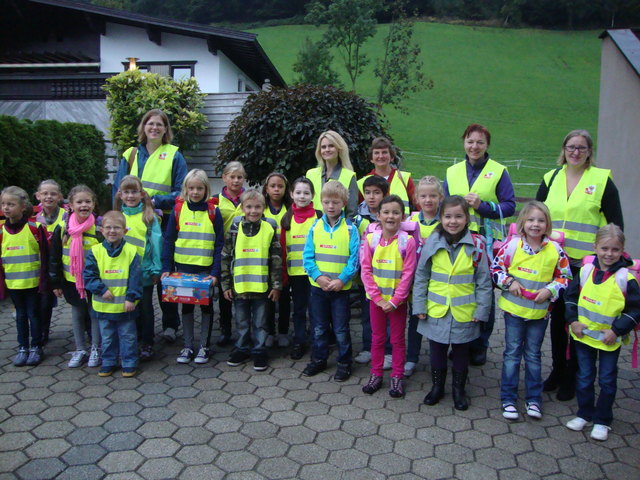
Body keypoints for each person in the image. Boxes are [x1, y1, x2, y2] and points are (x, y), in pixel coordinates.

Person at [536, 129, 624, 401]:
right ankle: (557, 371)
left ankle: (573, 377)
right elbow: (536, 215)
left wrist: (610, 261)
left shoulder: (601, 181)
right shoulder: (551, 178)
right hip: (554, 262)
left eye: (581, 148)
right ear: (563, 150)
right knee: (558, 319)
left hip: (586, 267)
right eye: (571, 147)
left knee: (578, 320)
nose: (575, 152)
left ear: (589, 152)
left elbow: (615, 223)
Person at [112, 109, 188, 344]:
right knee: (135, 271)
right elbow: (118, 189)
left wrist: (154, 201)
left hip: (164, 221)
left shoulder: (174, 154)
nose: (154, 128)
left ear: (166, 130)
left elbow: (181, 191)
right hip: (131, 221)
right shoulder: (131, 154)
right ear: (143, 127)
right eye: (150, 123)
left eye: (159, 125)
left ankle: (170, 325)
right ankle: (134, 324)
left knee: (163, 272)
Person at [444, 123, 516, 366]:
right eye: (470, 141)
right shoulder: (452, 171)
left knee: (483, 292)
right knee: (460, 289)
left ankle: (480, 344)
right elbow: (445, 207)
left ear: (487, 145)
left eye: (480, 142)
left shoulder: (498, 171)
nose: (474, 146)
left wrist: (483, 206)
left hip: (485, 243)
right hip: (457, 240)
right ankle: (460, 342)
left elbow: (510, 206)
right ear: (463, 142)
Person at [492, 201, 572, 420]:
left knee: (534, 356)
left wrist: (550, 289)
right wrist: (509, 283)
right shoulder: (511, 246)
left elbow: (565, 277)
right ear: (522, 223)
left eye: (541, 220)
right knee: (512, 354)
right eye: (531, 220)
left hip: (539, 314)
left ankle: (533, 399)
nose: (535, 224)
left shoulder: (555, 250)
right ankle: (508, 398)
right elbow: (496, 269)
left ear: (547, 224)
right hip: (514, 313)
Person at [413, 196, 492, 411]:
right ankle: (437, 387)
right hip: (435, 310)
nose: (453, 221)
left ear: (467, 219)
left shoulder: (476, 244)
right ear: (440, 218)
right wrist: (419, 306)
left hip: (464, 311)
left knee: (461, 353)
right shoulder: (432, 241)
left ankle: (459, 389)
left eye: (458, 216)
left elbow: (484, 281)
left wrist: (482, 310)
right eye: (448, 216)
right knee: (437, 351)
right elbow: (421, 275)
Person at [564, 224, 639, 441]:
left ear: (622, 250)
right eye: (604, 248)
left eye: (615, 250)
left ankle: (602, 419)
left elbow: (636, 309)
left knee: (607, 380)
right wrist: (573, 321)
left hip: (608, 341)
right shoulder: (586, 271)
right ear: (595, 247)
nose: (609, 254)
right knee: (585, 377)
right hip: (583, 337)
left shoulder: (627, 278)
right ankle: (584, 413)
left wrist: (616, 331)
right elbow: (570, 297)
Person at [162, 169, 224, 365]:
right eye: (191, 188)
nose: (195, 192)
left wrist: (215, 273)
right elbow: (169, 240)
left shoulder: (214, 211)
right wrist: (167, 267)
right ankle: (188, 346)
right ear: (185, 189)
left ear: (206, 189)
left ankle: (204, 346)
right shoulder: (178, 210)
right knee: (186, 307)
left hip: (205, 272)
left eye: (199, 188)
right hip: (183, 270)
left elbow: (219, 244)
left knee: (206, 308)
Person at [360, 195, 417, 398]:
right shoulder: (371, 239)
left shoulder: (407, 242)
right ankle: (376, 374)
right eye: (386, 212)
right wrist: (378, 299)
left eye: (395, 212)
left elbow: (408, 274)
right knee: (377, 338)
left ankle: (397, 377)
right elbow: (365, 270)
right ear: (378, 215)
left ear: (402, 216)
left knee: (398, 340)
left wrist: (394, 301)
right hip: (376, 302)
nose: (390, 216)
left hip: (397, 303)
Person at [302, 181, 359, 382]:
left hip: (341, 290)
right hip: (318, 289)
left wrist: (342, 280)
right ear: (321, 202)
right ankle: (319, 359)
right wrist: (317, 276)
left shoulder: (351, 229)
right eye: (326, 202)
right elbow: (307, 257)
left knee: (341, 328)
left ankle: (344, 363)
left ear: (343, 203)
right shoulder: (315, 226)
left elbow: (354, 260)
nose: (331, 206)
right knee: (319, 327)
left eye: (335, 202)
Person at [223, 189, 282, 371]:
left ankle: (259, 350)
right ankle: (242, 348)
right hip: (240, 287)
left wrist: (276, 285)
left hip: (262, 289)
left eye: (257, 207)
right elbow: (225, 256)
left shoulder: (269, 228)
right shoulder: (234, 228)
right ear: (242, 208)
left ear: (264, 208)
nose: (253, 211)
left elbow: (276, 259)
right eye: (249, 207)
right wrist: (225, 284)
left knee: (260, 322)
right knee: (241, 321)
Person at [49, 185, 103, 368]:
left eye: (88, 201)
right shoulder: (63, 228)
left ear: (94, 204)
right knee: (78, 312)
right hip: (72, 281)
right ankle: (80, 349)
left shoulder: (99, 228)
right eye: (79, 202)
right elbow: (54, 257)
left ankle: (96, 347)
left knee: (94, 313)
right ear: (70, 205)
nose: (84, 205)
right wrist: (55, 282)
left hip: (95, 281)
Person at [84, 211, 142, 377]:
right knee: (107, 336)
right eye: (108, 227)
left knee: (128, 336)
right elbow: (89, 276)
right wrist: (101, 290)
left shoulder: (132, 251)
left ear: (125, 231)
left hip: (126, 306)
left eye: (117, 227)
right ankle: (108, 361)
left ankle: (129, 362)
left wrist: (131, 298)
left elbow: (135, 278)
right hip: (104, 305)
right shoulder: (95, 251)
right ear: (101, 230)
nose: (112, 231)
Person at [114, 175, 162, 361]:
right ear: (120, 194)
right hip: (123, 274)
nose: (130, 196)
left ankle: (148, 343)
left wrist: (156, 269)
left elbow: (156, 244)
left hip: (145, 272)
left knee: (146, 308)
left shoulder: (149, 217)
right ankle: (132, 340)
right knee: (129, 308)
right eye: (126, 192)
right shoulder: (118, 217)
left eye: (134, 191)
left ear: (141, 194)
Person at [0, 186, 48, 366]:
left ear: (22, 207)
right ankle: (22, 347)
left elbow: (45, 254)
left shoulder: (34, 227)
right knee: (20, 316)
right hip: (13, 284)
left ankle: (36, 347)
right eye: (3, 204)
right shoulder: (1, 231)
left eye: (11, 204)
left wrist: (46, 281)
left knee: (33, 315)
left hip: (33, 283)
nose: (6, 208)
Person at [404, 176, 443, 377]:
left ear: (440, 197)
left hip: (438, 281)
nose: (428, 200)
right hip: (415, 282)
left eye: (433, 196)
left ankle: (441, 357)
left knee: (439, 319)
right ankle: (411, 358)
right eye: (423, 196)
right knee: (415, 318)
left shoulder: (445, 222)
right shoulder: (409, 221)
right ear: (417, 198)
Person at [280, 177, 322, 360]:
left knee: (316, 310)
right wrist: (283, 274)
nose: (302, 196)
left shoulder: (319, 216)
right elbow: (282, 248)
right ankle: (299, 340)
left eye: (306, 193)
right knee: (298, 309)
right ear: (291, 194)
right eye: (298, 192)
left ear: (313, 195)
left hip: (316, 275)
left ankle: (317, 340)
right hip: (295, 274)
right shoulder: (287, 218)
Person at [353, 175, 389, 366]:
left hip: (388, 277)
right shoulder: (357, 218)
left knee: (388, 315)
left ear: (385, 194)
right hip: (365, 277)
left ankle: (389, 351)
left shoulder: (390, 216)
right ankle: (369, 347)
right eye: (368, 193)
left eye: (376, 193)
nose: (372, 197)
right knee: (368, 314)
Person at [213, 161, 246, 346]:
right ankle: (225, 330)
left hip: (244, 252)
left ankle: (244, 330)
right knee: (225, 292)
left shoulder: (248, 198)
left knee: (242, 293)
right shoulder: (215, 200)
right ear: (224, 177)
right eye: (232, 177)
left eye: (239, 177)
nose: (235, 180)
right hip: (224, 253)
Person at [34, 179, 67, 345]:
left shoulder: (67, 216)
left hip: (65, 265)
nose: (49, 197)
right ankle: (42, 333)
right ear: (38, 196)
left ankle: (86, 333)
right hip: (45, 267)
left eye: (53, 193)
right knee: (44, 302)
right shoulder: (33, 219)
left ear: (60, 196)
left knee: (78, 302)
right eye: (45, 193)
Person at [262, 172, 292, 348]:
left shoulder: (290, 210)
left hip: (285, 263)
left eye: (280, 186)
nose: (276, 189)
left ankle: (283, 331)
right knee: (268, 300)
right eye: (273, 186)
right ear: (266, 189)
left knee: (284, 299)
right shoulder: (261, 208)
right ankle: (269, 332)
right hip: (265, 263)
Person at [306, 130, 358, 219]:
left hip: (337, 228)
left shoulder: (349, 176)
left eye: (331, 146)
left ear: (339, 149)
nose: (327, 150)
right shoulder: (310, 174)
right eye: (323, 147)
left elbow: (351, 212)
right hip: (311, 228)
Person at [357, 137, 415, 214]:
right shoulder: (362, 182)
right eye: (377, 153)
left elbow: (419, 204)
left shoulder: (404, 178)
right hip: (372, 225)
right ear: (371, 158)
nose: (380, 156)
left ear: (392, 157)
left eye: (384, 152)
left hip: (401, 225)